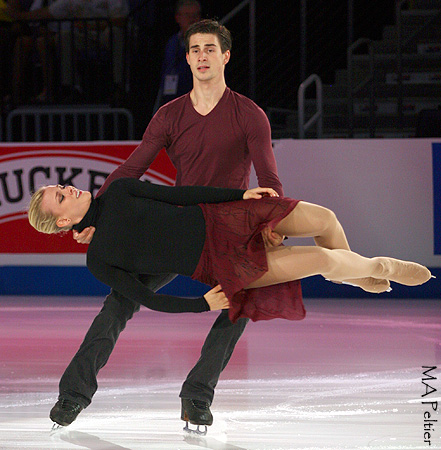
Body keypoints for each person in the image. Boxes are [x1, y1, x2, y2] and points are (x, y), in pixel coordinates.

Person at [40, 19, 387, 432]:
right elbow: (132, 168)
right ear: (186, 59)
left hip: (234, 225)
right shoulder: (169, 116)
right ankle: (72, 396)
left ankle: (197, 397)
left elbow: (269, 179)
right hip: (177, 227)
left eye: (210, 49)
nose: (202, 56)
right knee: (117, 306)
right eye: (194, 50)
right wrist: (97, 216)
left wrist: (270, 218)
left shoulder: (249, 114)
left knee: (239, 302)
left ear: (224, 56)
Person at [28, 179, 431, 320]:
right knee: (323, 259)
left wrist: (239, 193)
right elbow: (146, 298)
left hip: (225, 217)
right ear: (63, 222)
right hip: (221, 263)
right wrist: (201, 305)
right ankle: (377, 265)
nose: (68, 189)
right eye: (60, 199)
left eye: (61, 188)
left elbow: (181, 194)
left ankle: (360, 275)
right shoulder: (99, 260)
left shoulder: (117, 191)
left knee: (324, 218)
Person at [152, 0, 201, 113]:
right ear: (178, 18)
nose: (192, 19)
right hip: (172, 102)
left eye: (195, 15)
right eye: (187, 15)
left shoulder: (207, 44)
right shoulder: (172, 42)